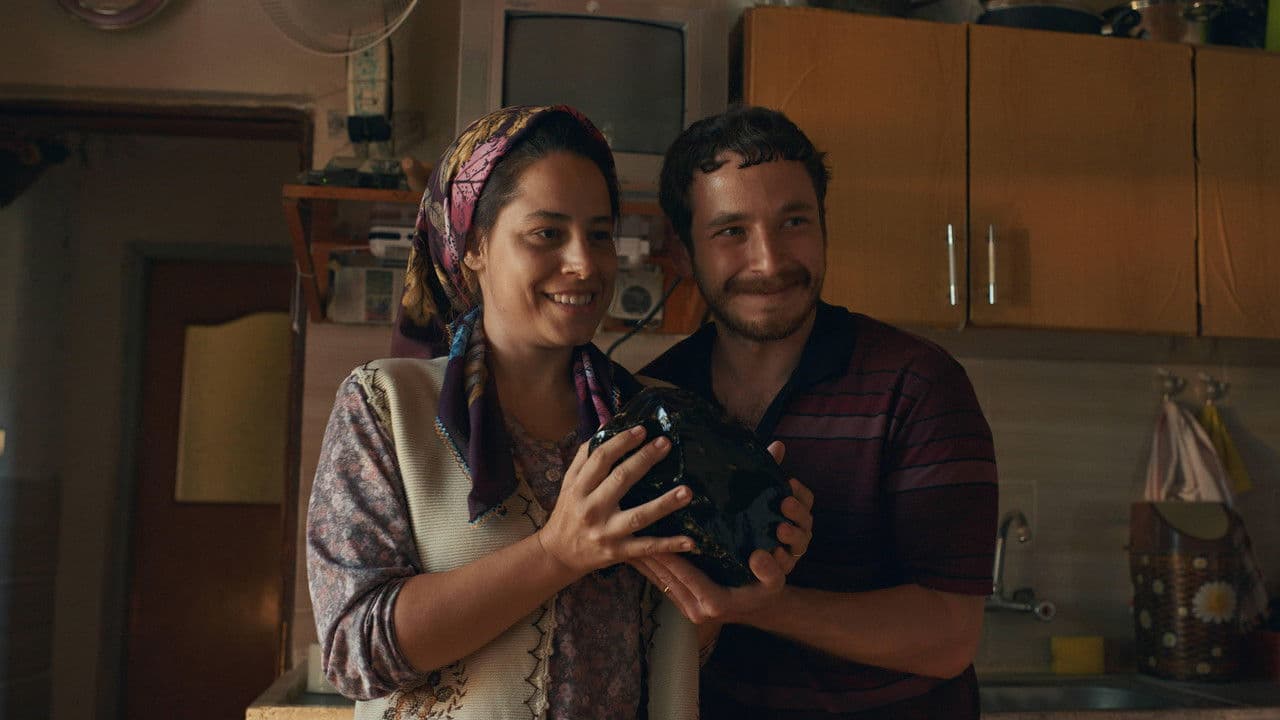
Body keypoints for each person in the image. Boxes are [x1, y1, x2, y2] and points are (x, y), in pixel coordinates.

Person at [306, 105, 813, 720]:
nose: (584, 263)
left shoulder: (655, 417)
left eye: (600, 235)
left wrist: (753, 555)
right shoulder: (384, 406)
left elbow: (678, 644)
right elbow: (354, 654)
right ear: (473, 244)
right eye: (547, 233)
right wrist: (556, 553)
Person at [635, 106, 999, 719]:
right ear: (683, 250)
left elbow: (950, 636)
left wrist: (765, 604)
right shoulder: (657, 396)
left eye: (794, 222)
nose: (770, 261)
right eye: (732, 231)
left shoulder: (917, 385)